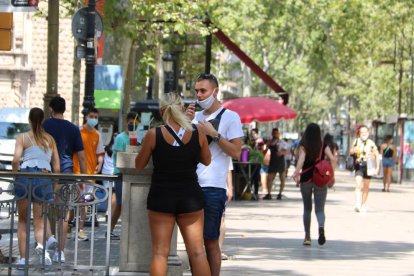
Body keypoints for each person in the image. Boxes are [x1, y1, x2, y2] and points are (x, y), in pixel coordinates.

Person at [135, 93, 211, 276]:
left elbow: (139, 165)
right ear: (182, 109)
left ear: (162, 111)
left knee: (160, 254)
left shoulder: (154, 134)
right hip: (191, 198)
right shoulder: (197, 132)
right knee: (198, 253)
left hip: (161, 198)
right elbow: (207, 160)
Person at [186, 73, 243, 276]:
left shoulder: (230, 117)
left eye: (203, 91)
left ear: (215, 92)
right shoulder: (195, 117)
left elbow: (236, 152)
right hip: (191, 185)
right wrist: (185, 123)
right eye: (196, 91)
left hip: (213, 187)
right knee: (193, 245)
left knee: (210, 241)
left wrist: (214, 134)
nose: (199, 95)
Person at [12, 107, 60, 266]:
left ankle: (22, 259)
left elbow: (15, 160)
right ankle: (44, 250)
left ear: (29, 120)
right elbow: (57, 167)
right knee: (39, 219)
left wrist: (15, 177)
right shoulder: (50, 139)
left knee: (23, 220)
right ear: (43, 120)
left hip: (25, 178)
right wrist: (53, 186)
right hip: (44, 177)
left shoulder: (23, 137)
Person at [43, 96, 86, 263]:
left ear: (52, 109)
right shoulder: (73, 129)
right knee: (64, 215)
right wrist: (83, 178)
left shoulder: (45, 125)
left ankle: (47, 243)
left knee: (44, 210)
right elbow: (81, 157)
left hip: (47, 173)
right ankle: (60, 252)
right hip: (67, 174)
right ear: (65, 109)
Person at [292, 123, 336, 246]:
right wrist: (331, 176)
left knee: (307, 208)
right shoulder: (323, 145)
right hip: (321, 179)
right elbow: (332, 159)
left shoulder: (303, 145)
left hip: (306, 180)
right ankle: (321, 227)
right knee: (320, 209)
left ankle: (307, 237)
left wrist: (296, 173)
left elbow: (301, 159)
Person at [73, 108, 105, 241]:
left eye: (96, 116)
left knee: (84, 203)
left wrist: (99, 165)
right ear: (86, 116)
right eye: (91, 116)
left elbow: (100, 154)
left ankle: (79, 230)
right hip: (76, 172)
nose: (94, 119)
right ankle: (69, 226)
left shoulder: (97, 135)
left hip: (90, 175)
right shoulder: (78, 132)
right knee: (73, 202)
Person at [109, 112, 140, 240]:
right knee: (121, 203)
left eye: (135, 122)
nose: (132, 124)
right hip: (120, 173)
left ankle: (125, 230)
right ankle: (110, 229)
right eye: (130, 122)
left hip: (132, 173)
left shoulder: (137, 137)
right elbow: (119, 154)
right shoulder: (121, 138)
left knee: (127, 204)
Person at [349, 125, 380, 212]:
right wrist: (353, 150)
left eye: (365, 132)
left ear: (368, 133)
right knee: (358, 184)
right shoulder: (356, 141)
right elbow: (350, 152)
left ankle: (363, 204)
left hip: (369, 166)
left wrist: (377, 168)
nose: (364, 134)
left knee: (366, 187)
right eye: (362, 132)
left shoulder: (371, 143)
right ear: (359, 133)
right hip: (359, 165)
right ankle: (357, 204)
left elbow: (377, 155)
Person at [264, 128, 288, 200]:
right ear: (272, 134)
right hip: (273, 162)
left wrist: (281, 152)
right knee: (269, 178)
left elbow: (286, 151)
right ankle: (269, 194)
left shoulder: (282, 142)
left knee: (282, 179)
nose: (275, 134)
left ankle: (280, 193)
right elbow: (265, 150)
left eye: (276, 133)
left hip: (281, 162)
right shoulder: (270, 142)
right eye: (274, 133)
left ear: (278, 133)